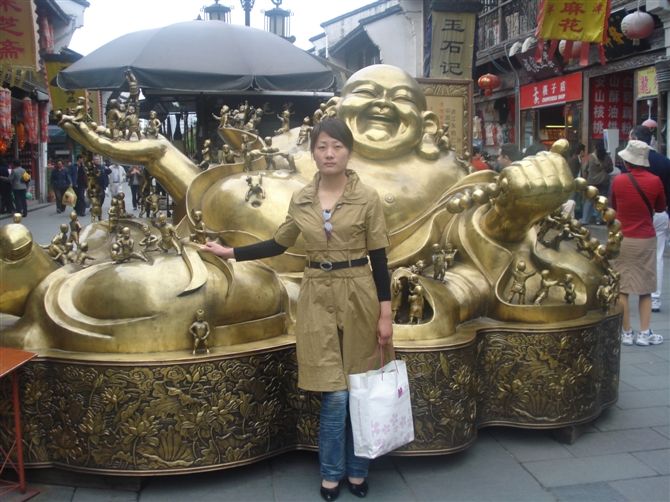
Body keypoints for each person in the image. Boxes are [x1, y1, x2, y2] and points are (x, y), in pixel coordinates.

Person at [202, 118, 393, 501]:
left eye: (337, 146)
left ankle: (358, 471)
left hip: (359, 291)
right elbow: (279, 242)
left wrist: (385, 313)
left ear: (349, 152)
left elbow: (379, 258)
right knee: (334, 394)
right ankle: (331, 473)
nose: (329, 153)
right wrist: (231, 252)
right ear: (313, 153)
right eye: (322, 146)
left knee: (360, 388)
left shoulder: (367, 198)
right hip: (316, 293)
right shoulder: (302, 198)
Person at [610, 140, 666, 346]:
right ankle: (644, 333)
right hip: (645, 239)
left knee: (622, 288)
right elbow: (660, 208)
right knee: (645, 289)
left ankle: (626, 333)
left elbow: (613, 206)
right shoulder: (655, 181)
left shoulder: (618, 181)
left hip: (623, 238)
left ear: (627, 161)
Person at [629, 125, 670, 313]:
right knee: (657, 255)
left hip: (635, 213)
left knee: (632, 253)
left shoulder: (629, 161)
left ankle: (632, 290)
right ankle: (654, 298)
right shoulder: (664, 162)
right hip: (659, 212)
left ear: (635, 139)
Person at [580, 139, 613, 225]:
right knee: (601, 201)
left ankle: (585, 219)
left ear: (595, 147)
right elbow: (611, 169)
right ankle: (599, 219)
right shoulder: (607, 157)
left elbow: (584, 169)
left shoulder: (590, 157)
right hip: (604, 182)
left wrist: (586, 178)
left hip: (592, 182)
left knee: (589, 201)